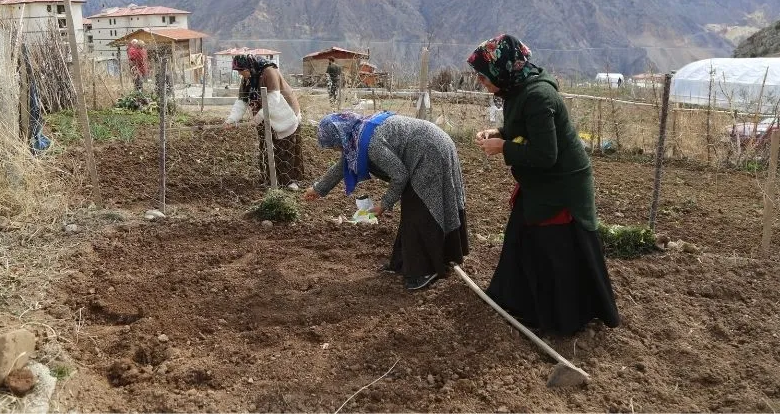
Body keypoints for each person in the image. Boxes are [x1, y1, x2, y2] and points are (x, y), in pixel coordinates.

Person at [467, 34, 620, 336]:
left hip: (562, 187)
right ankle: (517, 301)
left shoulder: (538, 96)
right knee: (520, 238)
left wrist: (503, 148)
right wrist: (497, 132)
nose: (481, 81)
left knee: (557, 254)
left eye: (484, 75)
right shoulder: (517, 90)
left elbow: (545, 154)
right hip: (541, 184)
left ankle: (563, 320)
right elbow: (523, 129)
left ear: (502, 68)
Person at [304, 111, 469, 291]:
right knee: (414, 210)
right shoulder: (357, 135)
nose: (336, 150)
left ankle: (426, 269)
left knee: (422, 210)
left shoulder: (371, 144)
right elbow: (341, 166)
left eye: (334, 146)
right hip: (428, 146)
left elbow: (400, 175)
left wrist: (385, 204)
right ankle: (404, 262)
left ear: (341, 138)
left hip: (431, 151)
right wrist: (319, 189)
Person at [224, 54, 304, 189]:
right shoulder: (247, 79)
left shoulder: (269, 72)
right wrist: (232, 120)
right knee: (266, 147)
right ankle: (268, 179)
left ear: (249, 66)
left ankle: (289, 181)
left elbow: (274, 100)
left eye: (241, 70)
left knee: (285, 147)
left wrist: (256, 118)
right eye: (238, 71)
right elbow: (242, 101)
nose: (240, 74)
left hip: (284, 114)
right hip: (264, 117)